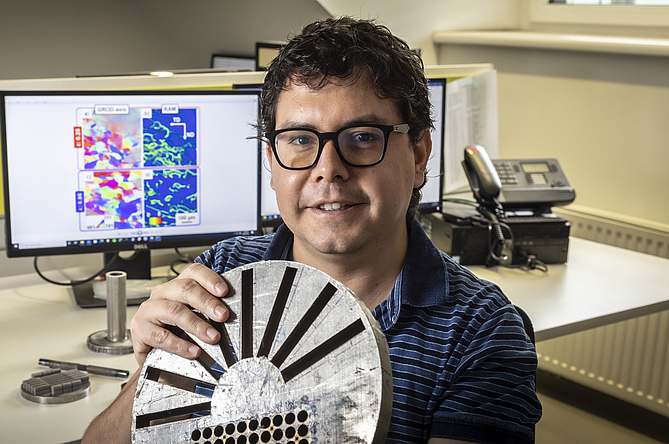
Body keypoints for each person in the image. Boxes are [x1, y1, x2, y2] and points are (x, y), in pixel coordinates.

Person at [84, 16, 541, 444]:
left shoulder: (483, 334)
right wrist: (148, 374)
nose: (328, 170)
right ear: (270, 161)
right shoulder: (224, 276)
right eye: (301, 140)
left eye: (362, 136)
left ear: (419, 156)